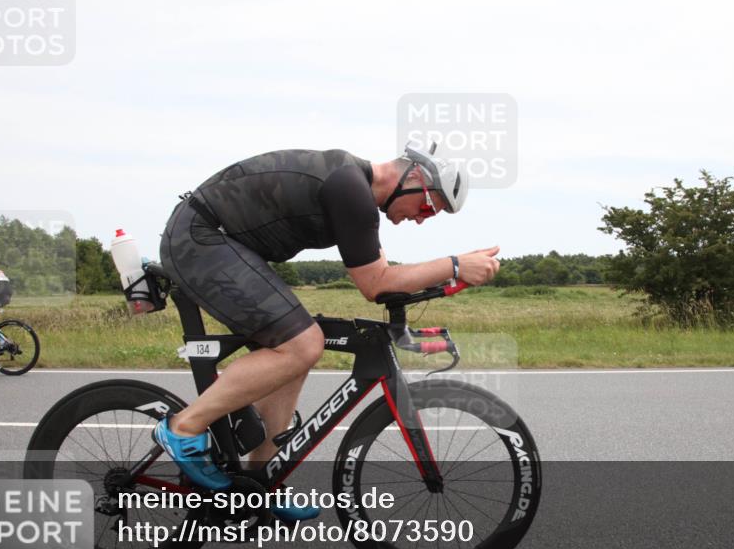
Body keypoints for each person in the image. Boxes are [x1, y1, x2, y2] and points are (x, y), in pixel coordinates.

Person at [153, 144, 500, 520]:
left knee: (295, 349)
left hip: (219, 241)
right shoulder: (349, 188)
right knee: (302, 344)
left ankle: (259, 480)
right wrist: (453, 264)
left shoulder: (357, 194)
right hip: (200, 238)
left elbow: (384, 280)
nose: (421, 219)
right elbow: (375, 284)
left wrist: (449, 275)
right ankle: (184, 428)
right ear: (413, 177)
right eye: (429, 207)